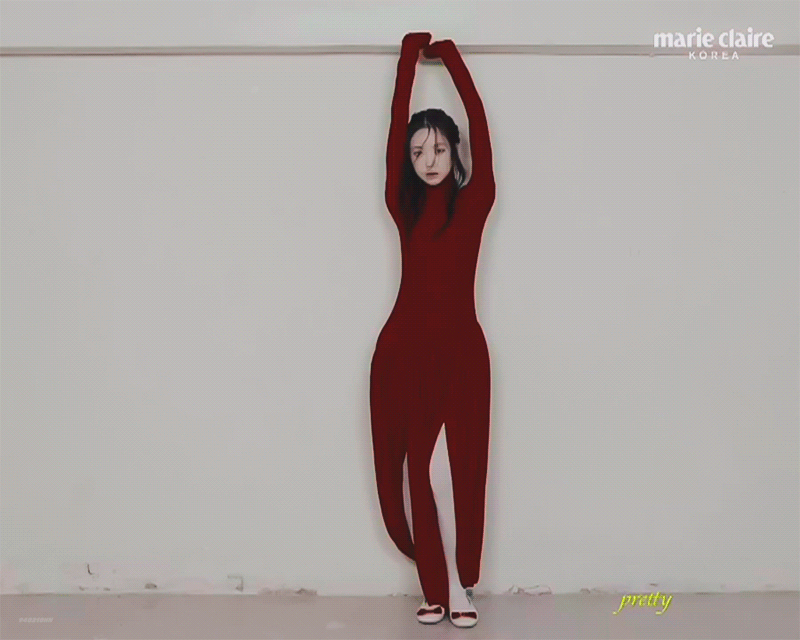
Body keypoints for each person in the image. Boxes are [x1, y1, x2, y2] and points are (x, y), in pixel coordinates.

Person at [369, 31, 496, 628]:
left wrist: (452, 61)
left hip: (462, 351)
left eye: (439, 148)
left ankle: (460, 586)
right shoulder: (405, 209)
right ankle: (436, 589)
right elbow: (394, 132)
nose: (429, 159)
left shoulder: (475, 203)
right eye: (419, 151)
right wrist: (406, 61)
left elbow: (481, 128)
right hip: (409, 349)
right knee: (419, 468)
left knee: (455, 469)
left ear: (454, 152)